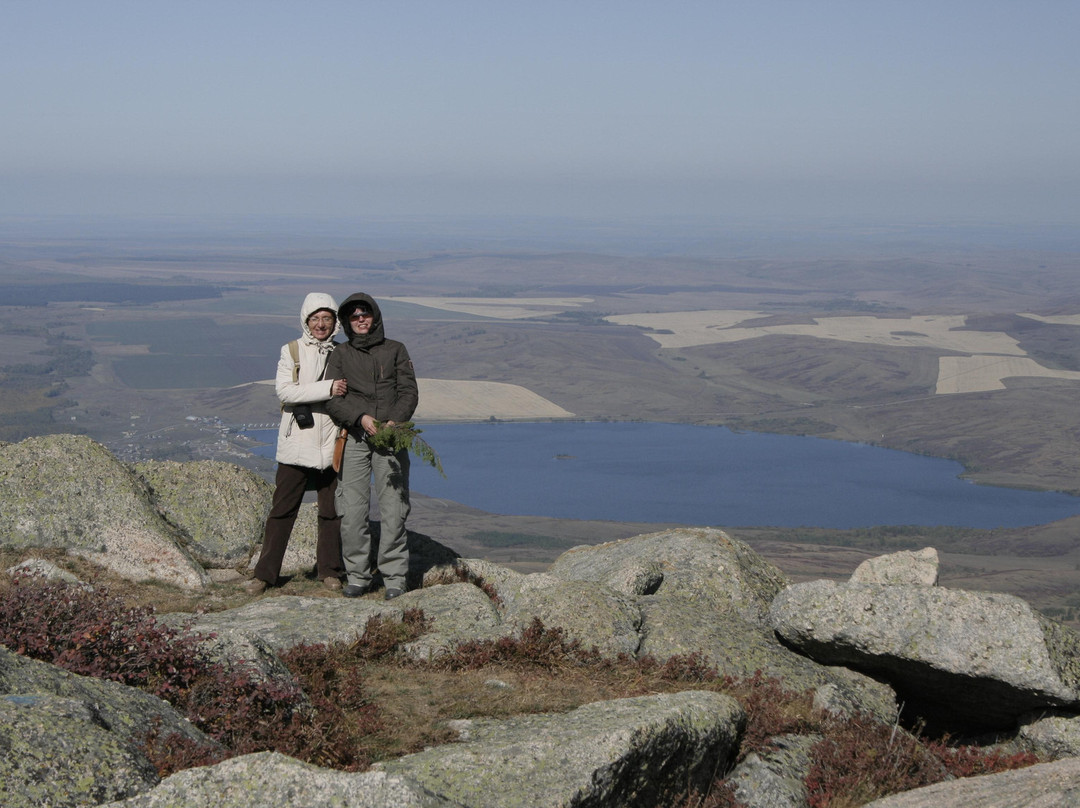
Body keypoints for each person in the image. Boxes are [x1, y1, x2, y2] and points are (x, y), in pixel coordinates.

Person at [245, 292, 348, 595]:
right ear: (305, 320)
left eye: (326, 318)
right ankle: (264, 575)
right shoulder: (291, 350)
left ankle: (330, 571)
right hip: (296, 443)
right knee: (282, 511)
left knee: (331, 512)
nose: (320, 324)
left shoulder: (342, 353)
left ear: (335, 322)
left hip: (331, 442)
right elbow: (285, 393)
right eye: (315, 318)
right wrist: (328, 387)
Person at [324, 292, 418, 600]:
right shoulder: (341, 355)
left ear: (374, 317)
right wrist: (360, 418)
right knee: (352, 510)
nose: (360, 319)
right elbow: (334, 400)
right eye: (354, 316)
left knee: (393, 508)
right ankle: (358, 576)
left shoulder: (395, 350)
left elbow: (408, 392)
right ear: (347, 323)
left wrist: (393, 422)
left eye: (365, 314)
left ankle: (394, 578)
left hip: (390, 438)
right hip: (354, 437)